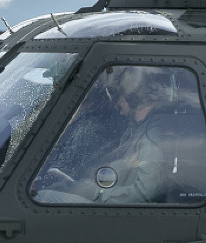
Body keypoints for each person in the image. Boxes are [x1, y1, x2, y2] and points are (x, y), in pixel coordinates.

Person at [39, 66, 170, 204]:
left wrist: (95, 192)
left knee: (42, 197)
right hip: (104, 194)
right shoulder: (138, 129)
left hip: (116, 210)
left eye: (121, 95)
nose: (118, 102)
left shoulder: (151, 136)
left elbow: (144, 193)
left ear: (133, 97)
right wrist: (73, 185)